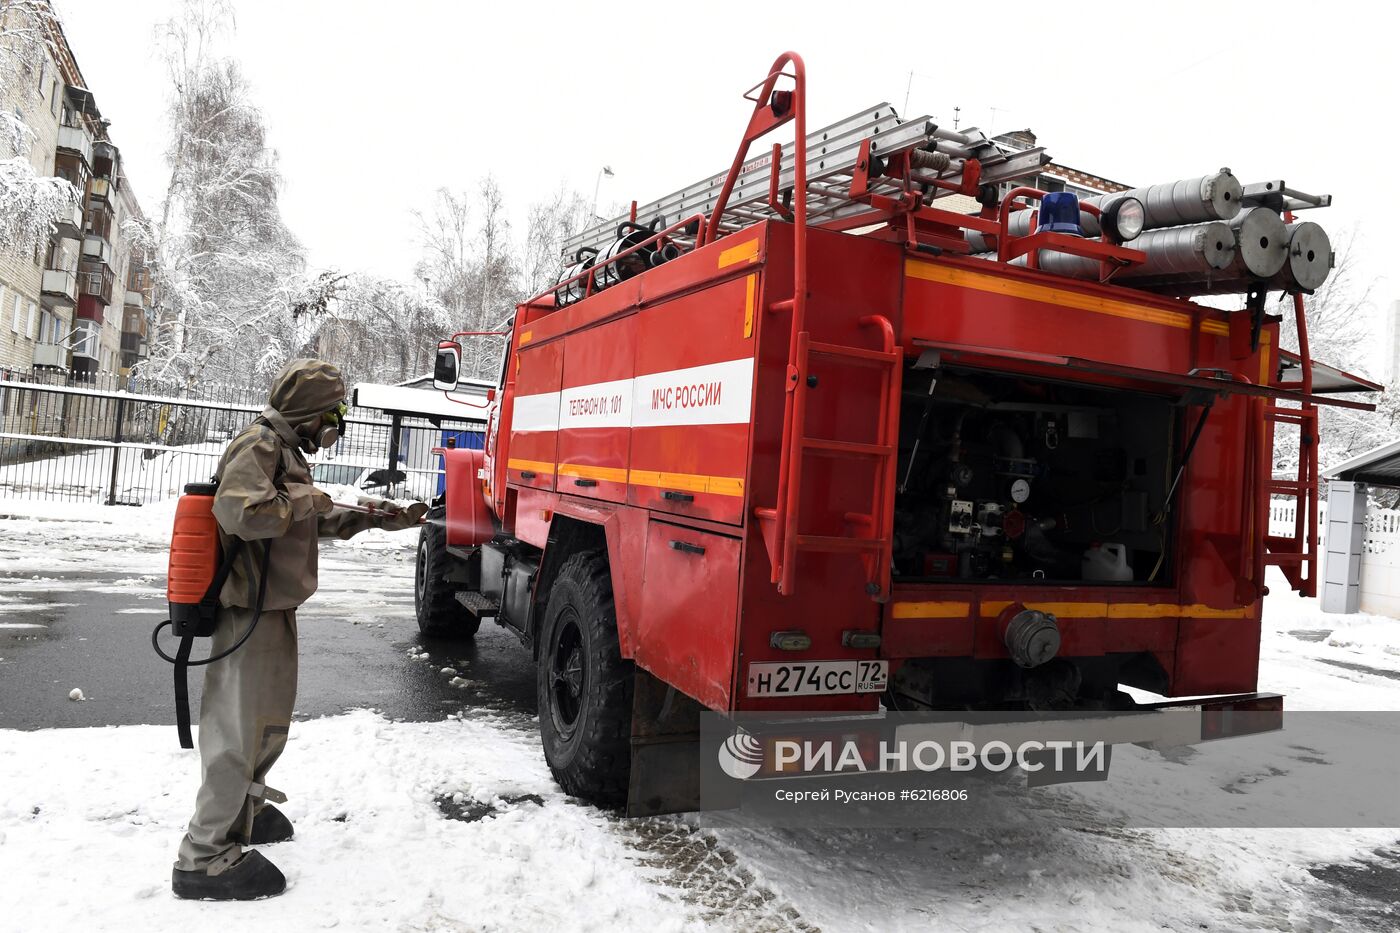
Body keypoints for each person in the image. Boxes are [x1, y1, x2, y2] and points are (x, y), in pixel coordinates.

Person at [171, 358, 426, 900]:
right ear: (311, 413)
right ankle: (204, 856)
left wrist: (379, 515)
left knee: (265, 724)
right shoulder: (260, 446)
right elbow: (240, 511)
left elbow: (306, 518)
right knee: (237, 734)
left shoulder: (284, 452)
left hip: (274, 609)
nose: (333, 431)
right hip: (249, 612)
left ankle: (247, 813)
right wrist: (309, 499)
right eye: (333, 418)